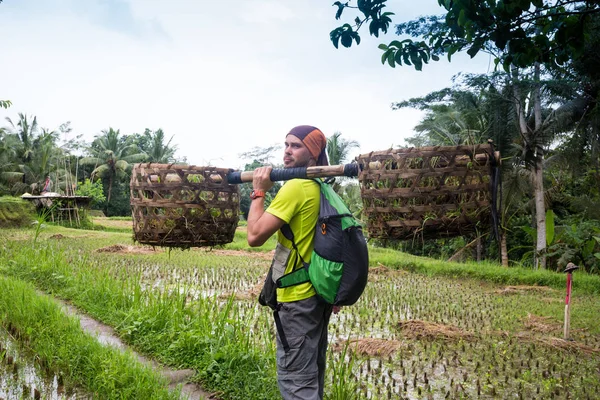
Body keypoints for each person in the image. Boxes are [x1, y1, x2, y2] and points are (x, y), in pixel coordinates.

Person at [247, 125, 335, 400]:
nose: (287, 151)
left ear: (314, 152)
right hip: (317, 296)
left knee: (297, 383)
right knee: (311, 377)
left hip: (297, 300)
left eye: (296, 145)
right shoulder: (322, 187)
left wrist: (259, 192)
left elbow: (254, 235)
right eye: (286, 144)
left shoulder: (296, 188)